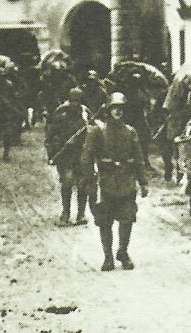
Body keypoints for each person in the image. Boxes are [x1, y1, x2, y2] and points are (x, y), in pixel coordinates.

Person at [82, 92, 148, 271]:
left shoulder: (130, 131)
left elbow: (139, 157)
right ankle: (108, 256)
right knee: (105, 221)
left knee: (127, 218)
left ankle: (123, 251)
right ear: (108, 110)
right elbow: (87, 158)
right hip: (105, 182)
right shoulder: (97, 132)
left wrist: (143, 182)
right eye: (114, 108)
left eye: (121, 108)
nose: (117, 112)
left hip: (126, 180)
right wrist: (90, 181)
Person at [46, 87, 93, 225]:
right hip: (65, 155)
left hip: (81, 154)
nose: (75, 104)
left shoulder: (86, 114)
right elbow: (50, 136)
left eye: (77, 101)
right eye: (72, 100)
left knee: (82, 184)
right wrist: (54, 152)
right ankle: (66, 212)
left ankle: (81, 214)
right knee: (67, 182)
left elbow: (93, 133)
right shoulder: (61, 113)